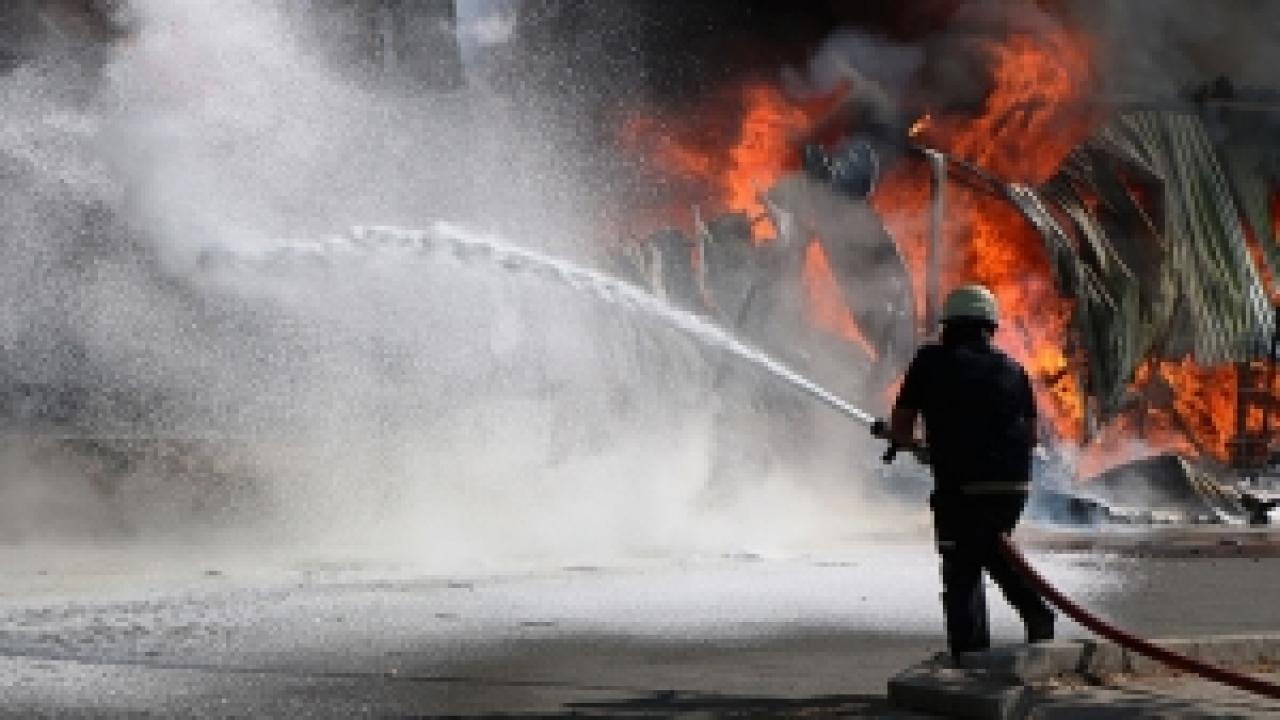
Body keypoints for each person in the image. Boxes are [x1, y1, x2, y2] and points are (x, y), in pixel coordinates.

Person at [883, 284, 1055, 656]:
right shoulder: (1014, 369)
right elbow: (1030, 437)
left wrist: (912, 443)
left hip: (962, 487)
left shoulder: (930, 361)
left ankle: (970, 654)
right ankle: (1035, 614)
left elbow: (902, 422)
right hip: (1013, 487)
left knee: (961, 567)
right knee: (991, 549)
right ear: (990, 327)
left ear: (948, 326)